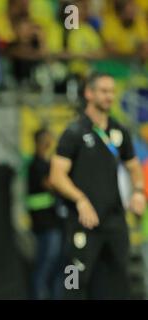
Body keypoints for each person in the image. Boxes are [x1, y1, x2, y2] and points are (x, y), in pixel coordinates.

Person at [50, 73, 146, 299]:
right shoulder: (74, 132)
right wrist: (80, 199)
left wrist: (139, 192)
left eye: (112, 91)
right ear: (89, 93)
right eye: (103, 91)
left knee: (116, 282)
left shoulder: (119, 131)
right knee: (74, 282)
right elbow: (57, 176)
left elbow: (134, 167)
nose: (109, 96)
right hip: (83, 222)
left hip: (114, 220)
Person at [27, 128, 64, 300]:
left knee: (57, 266)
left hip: (54, 224)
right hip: (45, 225)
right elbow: (52, 184)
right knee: (45, 265)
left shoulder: (46, 164)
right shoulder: (37, 165)